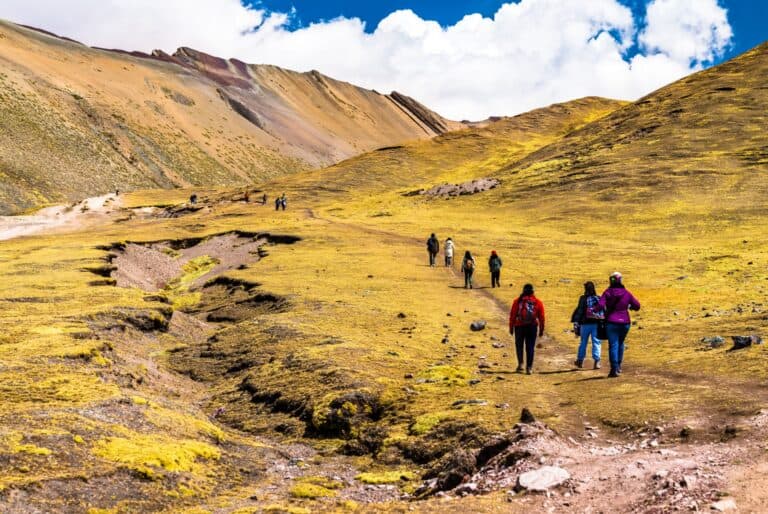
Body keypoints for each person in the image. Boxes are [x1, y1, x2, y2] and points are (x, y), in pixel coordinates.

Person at [599, 272, 641, 378]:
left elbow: (600, 305)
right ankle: (618, 366)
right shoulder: (626, 293)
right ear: (621, 280)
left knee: (613, 345)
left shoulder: (607, 292)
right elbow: (637, 305)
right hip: (625, 322)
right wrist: (630, 307)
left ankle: (614, 368)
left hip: (611, 322)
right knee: (621, 343)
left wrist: (593, 310)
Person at [509, 284, 545, 374]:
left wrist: (511, 327)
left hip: (519, 326)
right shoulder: (538, 302)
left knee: (519, 346)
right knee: (530, 347)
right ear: (533, 292)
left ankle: (520, 364)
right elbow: (542, 317)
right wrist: (541, 329)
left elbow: (512, 315)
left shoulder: (517, 301)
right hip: (532, 327)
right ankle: (529, 367)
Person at [570, 281, 604, 369]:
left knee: (583, 342)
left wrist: (576, 322)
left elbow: (580, 311)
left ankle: (580, 361)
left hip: (585, 324)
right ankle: (597, 361)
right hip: (596, 324)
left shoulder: (583, 299)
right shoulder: (598, 298)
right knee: (596, 342)